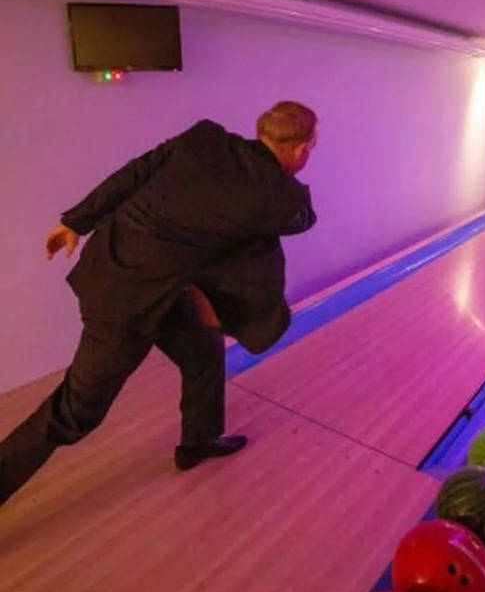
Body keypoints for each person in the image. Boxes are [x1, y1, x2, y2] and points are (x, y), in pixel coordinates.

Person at [0, 101, 319, 507]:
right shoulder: (281, 197)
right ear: (303, 148)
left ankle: (198, 442)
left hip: (140, 276)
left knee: (203, 351)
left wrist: (75, 222)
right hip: (122, 301)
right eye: (312, 146)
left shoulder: (203, 138)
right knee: (75, 413)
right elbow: (303, 220)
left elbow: (138, 171)